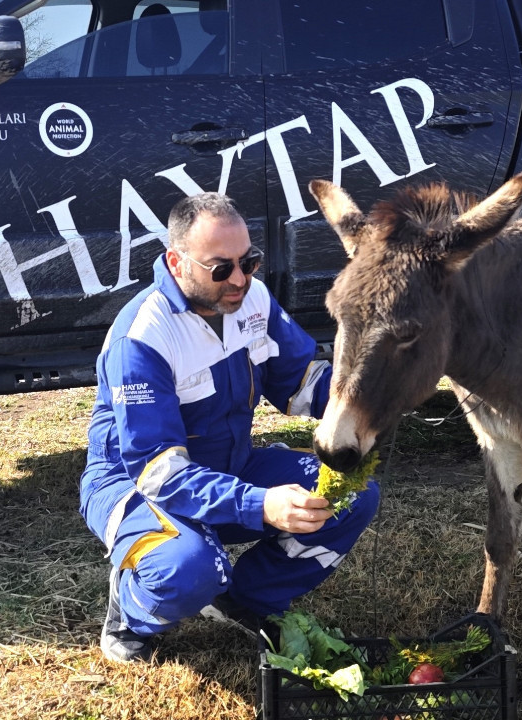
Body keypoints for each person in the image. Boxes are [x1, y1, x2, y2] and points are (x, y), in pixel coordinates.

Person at [79, 192, 379, 662]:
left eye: (249, 261)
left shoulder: (251, 298)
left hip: (229, 466)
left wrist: (369, 403)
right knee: (192, 568)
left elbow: (299, 381)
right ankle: (131, 611)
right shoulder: (141, 338)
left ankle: (247, 600)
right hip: (135, 486)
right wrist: (261, 504)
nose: (240, 278)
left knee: (352, 496)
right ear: (177, 263)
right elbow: (158, 473)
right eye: (222, 268)